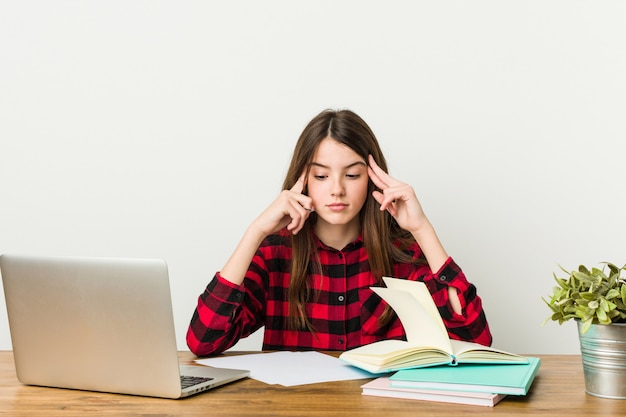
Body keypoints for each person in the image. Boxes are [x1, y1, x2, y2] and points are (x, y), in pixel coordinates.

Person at [187, 109, 492, 356]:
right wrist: (255, 231)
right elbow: (203, 341)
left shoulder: (403, 253)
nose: (337, 189)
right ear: (303, 179)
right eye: (321, 175)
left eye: (352, 175)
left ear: (373, 179)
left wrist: (423, 229)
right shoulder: (275, 253)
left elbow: (475, 340)